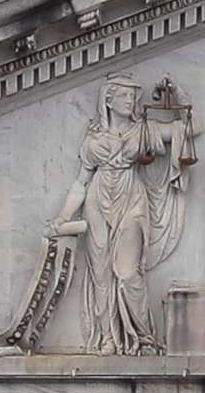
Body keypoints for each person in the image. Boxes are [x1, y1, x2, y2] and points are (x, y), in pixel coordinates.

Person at [42, 73, 195, 354]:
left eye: (133, 96)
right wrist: (63, 217)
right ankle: (108, 337)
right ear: (109, 100)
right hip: (98, 201)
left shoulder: (143, 130)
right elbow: (80, 183)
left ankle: (143, 337)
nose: (131, 101)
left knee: (126, 272)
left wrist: (179, 96)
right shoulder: (93, 142)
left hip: (132, 198)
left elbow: (188, 130)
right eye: (125, 96)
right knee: (100, 274)